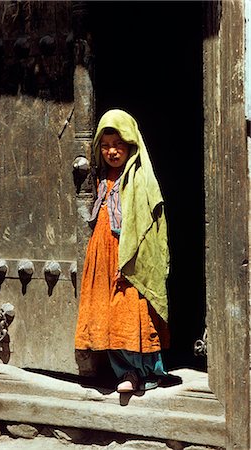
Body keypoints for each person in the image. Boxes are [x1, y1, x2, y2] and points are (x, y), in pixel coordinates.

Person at [75, 109, 170, 393]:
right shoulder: (103, 177)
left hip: (129, 254)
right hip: (102, 251)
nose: (111, 151)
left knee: (132, 309)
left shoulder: (140, 178)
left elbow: (147, 225)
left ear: (130, 144)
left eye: (118, 145)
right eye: (104, 146)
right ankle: (123, 372)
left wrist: (129, 258)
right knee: (108, 311)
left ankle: (142, 372)